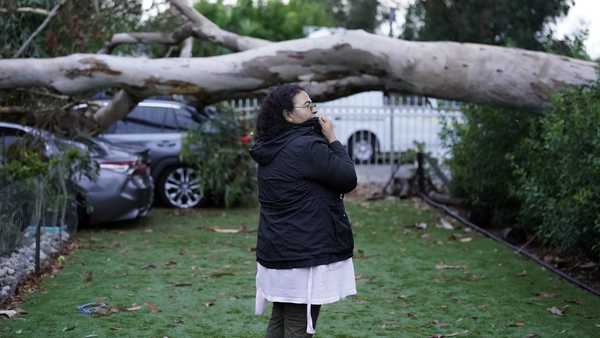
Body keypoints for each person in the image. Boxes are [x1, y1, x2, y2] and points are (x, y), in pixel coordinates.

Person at [249, 84, 358, 337]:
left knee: (281, 317)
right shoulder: (306, 146)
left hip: (277, 248)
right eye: (307, 105)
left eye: (313, 103)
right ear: (288, 115)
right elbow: (347, 178)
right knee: (299, 326)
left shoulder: (270, 145)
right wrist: (332, 138)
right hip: (303, 253)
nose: (313, 109)